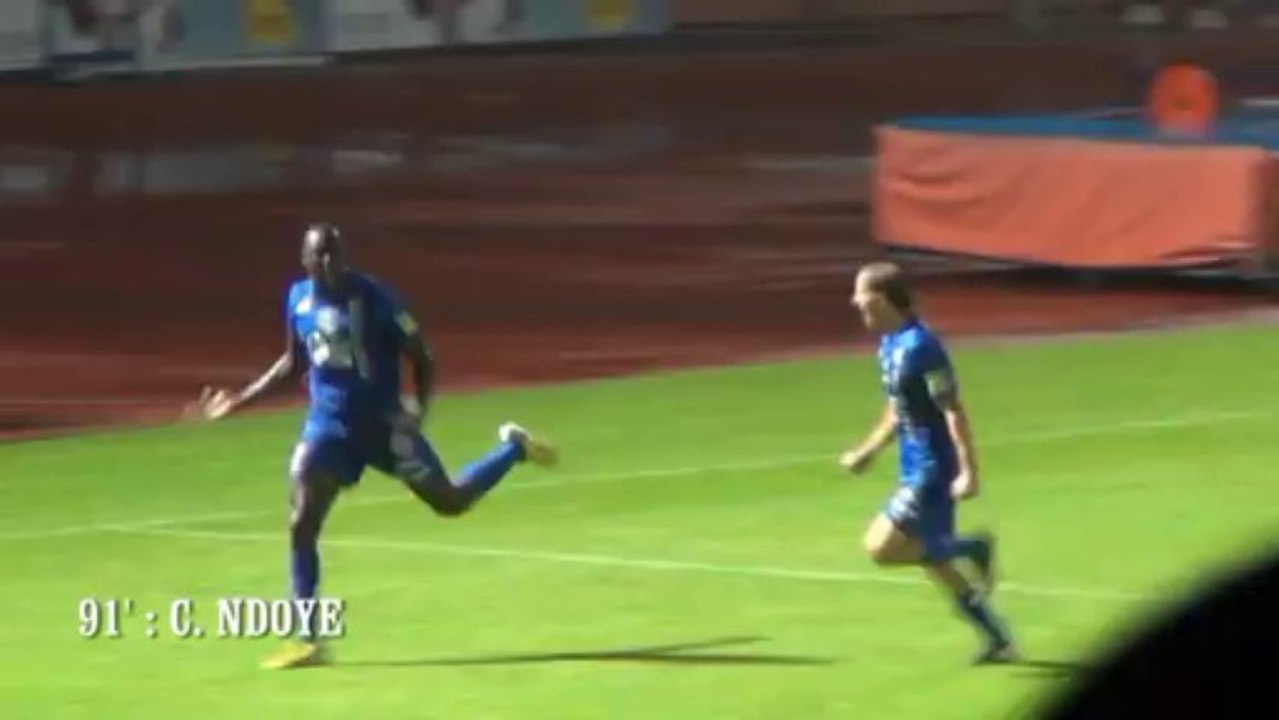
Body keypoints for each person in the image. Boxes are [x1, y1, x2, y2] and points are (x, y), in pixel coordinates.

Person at [192, 222, 557, 670]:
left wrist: (416, 415)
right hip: (328, 427)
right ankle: (307, 640)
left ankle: (513, 448)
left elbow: (423, 358)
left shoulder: (378, 299)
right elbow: (293, 361)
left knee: (451, 501)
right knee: (301, 520)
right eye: (320, 255)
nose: (330, 262)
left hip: (384, 428)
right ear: (305, 262)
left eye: (336, 252)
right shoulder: (298, 299)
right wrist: (241, 398)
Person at [840, 262, 1016, 664]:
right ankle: (998, 639)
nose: (856, 304)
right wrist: (870, 450)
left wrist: (969, 470)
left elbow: (952, 407)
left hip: (932, 469)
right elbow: (898, 409)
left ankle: (971, 546)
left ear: (882, 299)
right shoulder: (889, 345)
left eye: (862, 296)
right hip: (912, 464)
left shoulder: (923, 347)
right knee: (935, 562)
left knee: (880, 548)